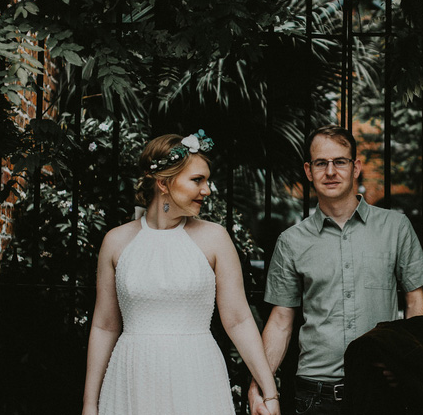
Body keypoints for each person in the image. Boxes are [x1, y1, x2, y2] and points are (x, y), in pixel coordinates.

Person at [82, 131, 280, 415]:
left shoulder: (215, 239)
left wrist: (269, 393)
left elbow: (238, 320)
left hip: (196, 376)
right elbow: (104, 326)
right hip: (132, 376)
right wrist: (90, 405)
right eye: (197, 180)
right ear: (163, 183)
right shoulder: (116, 242)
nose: (207, 190)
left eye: (206, 180)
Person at [248, 124, 423, 415]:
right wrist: (259, 384)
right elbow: (281, 321)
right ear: (308, 171)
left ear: (356, 167)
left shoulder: (395, 228)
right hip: (315, 397)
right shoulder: (291, 241)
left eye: (340, 162)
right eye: (321, 163)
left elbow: (415, 301)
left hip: (380, 392)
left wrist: (408, 363)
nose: (330, 171)